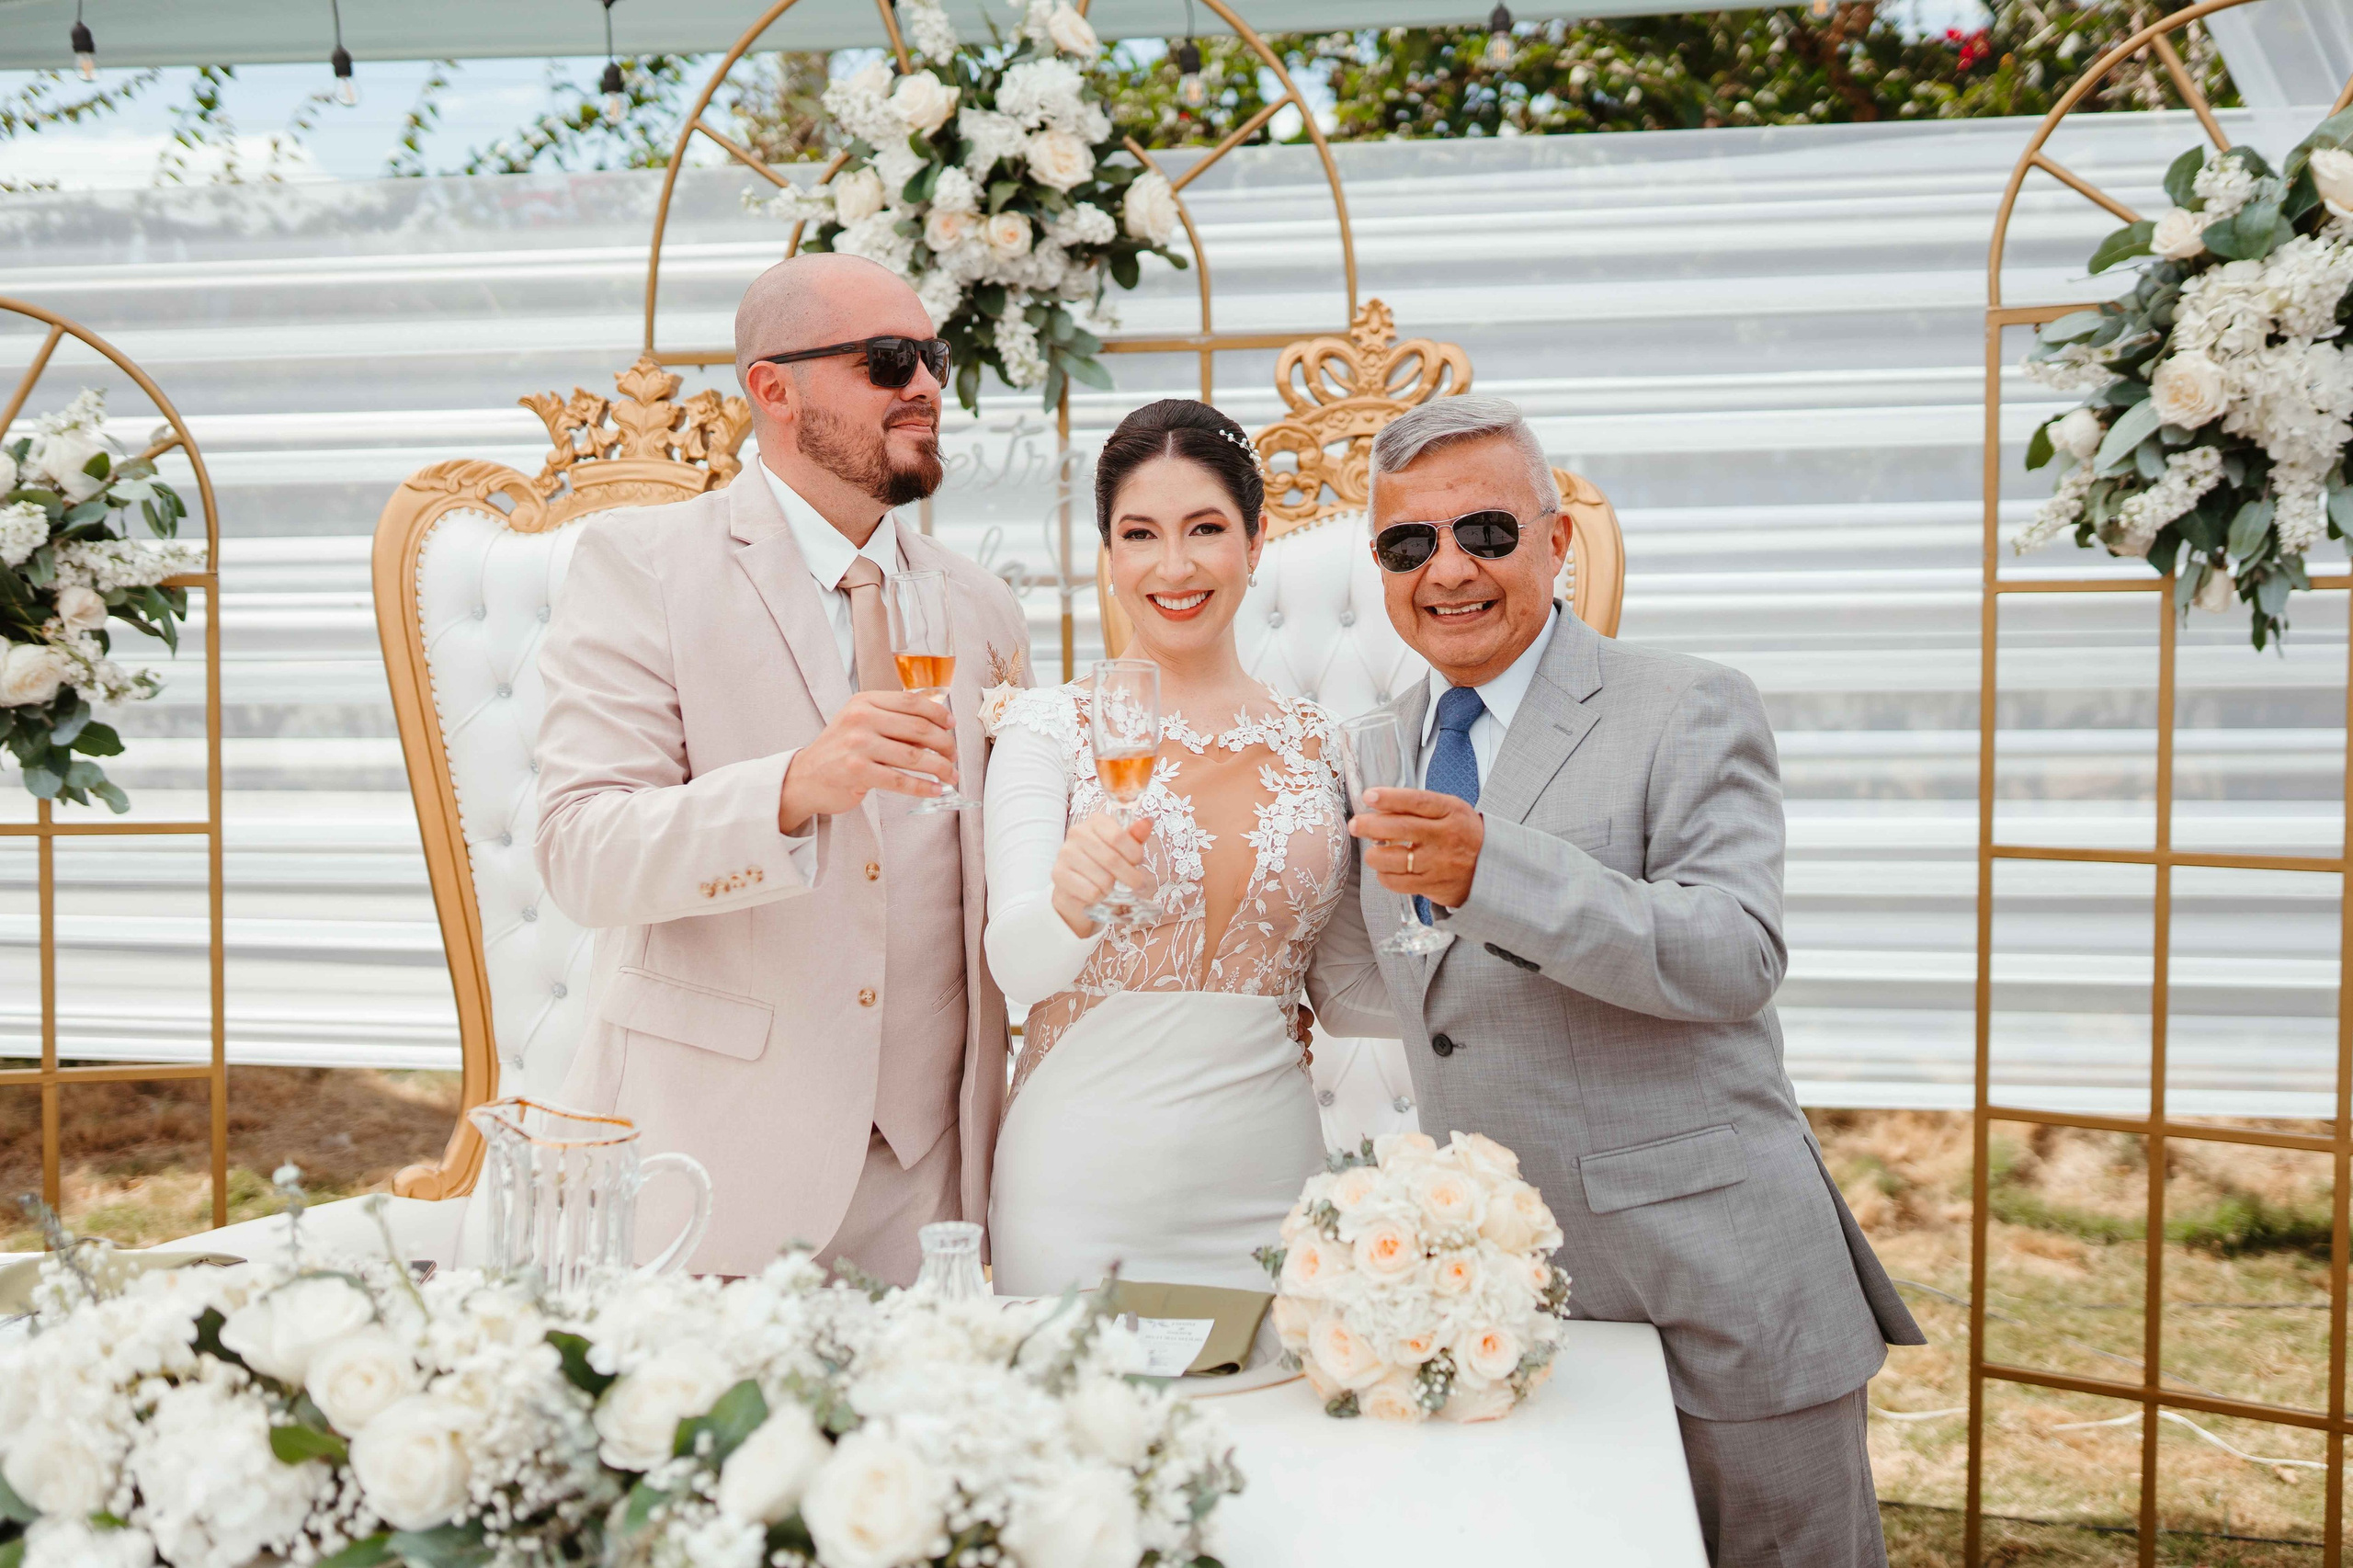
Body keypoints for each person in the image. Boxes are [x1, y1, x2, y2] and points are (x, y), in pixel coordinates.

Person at [1305, 396, 1924, 1568]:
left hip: (1716, 1288)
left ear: (1555, 540)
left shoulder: (1686, 703)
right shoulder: (1372, 745)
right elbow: (1385, 992)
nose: (1447, 570)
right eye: (1406, 544)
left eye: (1483, 531)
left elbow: (1734, 954)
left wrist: (1497, 867)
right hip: (1505, 1311)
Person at [534, 254, 1031, 1281]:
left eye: (934, 357)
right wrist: (791, 788)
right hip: (711, 1168)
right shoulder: (642, 565)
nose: (928, 388)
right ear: (773, 389)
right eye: (890, 361)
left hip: (934, 1193)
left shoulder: (982, 606)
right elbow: (581, 850)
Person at [982, 398, 1343, 1295]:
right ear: (1109, 558)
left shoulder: (1322, 743)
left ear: (1257, 543)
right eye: (1140, 534)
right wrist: (1068, 902)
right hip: (1079, 1192)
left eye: (1206, 528)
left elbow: (1356, 989)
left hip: (1275, 1190)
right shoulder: (1047, 727)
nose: (1173, 565)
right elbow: (1016, 968)